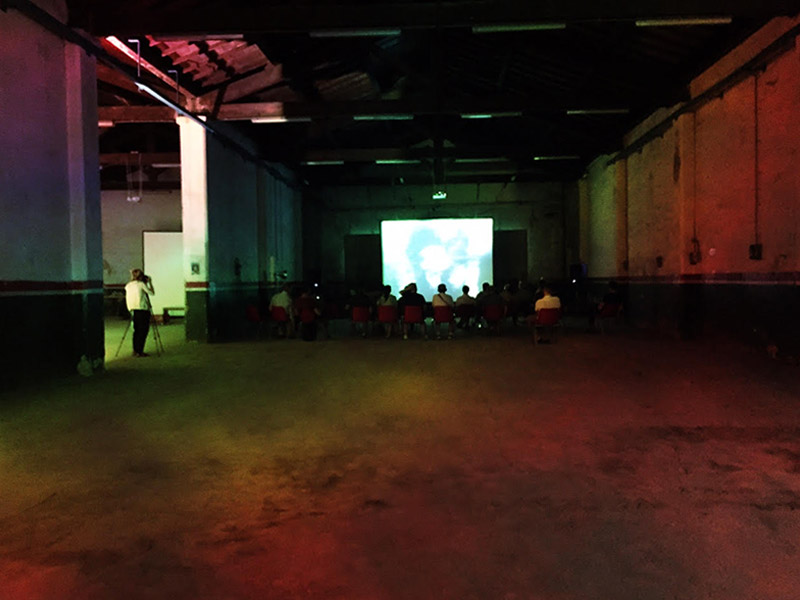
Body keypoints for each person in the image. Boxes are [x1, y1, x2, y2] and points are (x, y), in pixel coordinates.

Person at [125, 268, 155, 357]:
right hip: (142, 310)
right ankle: (140, 351)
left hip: (133, 310)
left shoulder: (128, 286)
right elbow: (152, 293)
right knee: (143, 331)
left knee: (136, 331)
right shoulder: (141, 285)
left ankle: (135, 350)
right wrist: (150, 283)